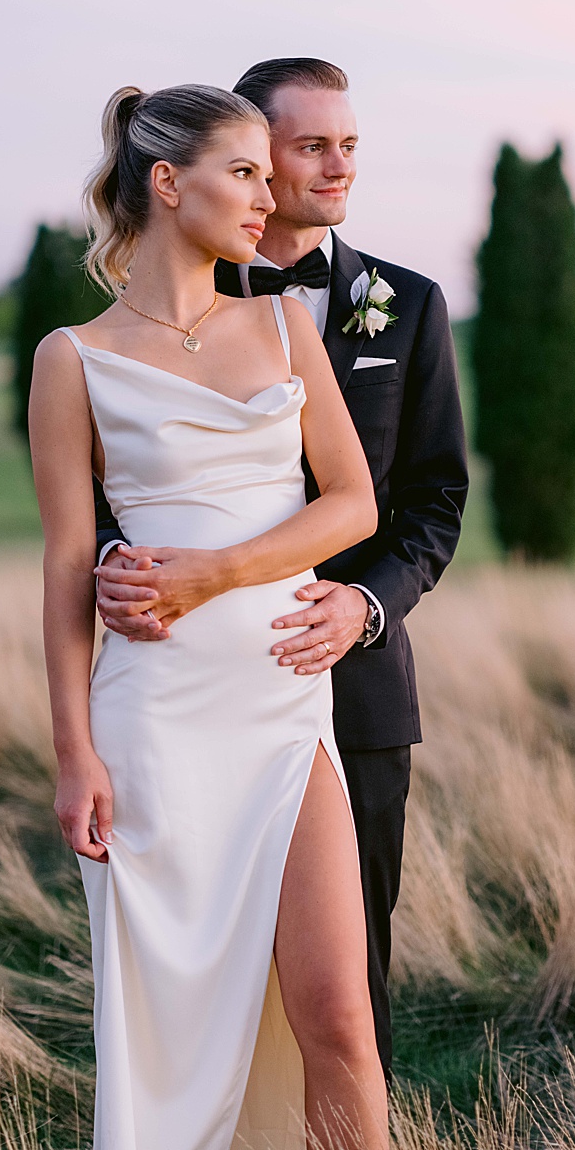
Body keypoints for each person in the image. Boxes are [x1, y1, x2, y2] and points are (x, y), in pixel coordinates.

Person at [28, 83, 388, 1150]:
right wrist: (75, 752)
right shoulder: (72, 359)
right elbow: (68, 569)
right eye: (243, 173)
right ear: (169, 185)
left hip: (287, 711)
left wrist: (217, 573)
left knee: (336, 1008)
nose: (269, 193)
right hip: (155, 725)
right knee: (175, 1012)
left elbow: (353, 506)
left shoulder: (287, 323)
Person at [95, 58, 469, 1080]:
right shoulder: (164, 317)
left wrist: (364, 605)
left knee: (350, 985)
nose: (334, 166)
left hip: (352, 693)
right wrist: (117, 571)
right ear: (246, 151)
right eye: (308, 146)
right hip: (190, 687)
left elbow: (435, 502)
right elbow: (111, 497)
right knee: (199, 974)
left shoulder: (408, 306)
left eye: (347, 145)